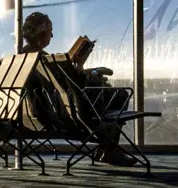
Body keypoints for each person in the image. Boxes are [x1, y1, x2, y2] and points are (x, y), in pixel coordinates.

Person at [17, 12, 137, 167]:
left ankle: (108, 148)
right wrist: (80, 65)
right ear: (40, 33)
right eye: (50, 31)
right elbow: (72, 86)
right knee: (120, 95)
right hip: (68, 116)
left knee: (107, 95)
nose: (52, 35)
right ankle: (108, 148)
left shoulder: (24, 56)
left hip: (48, 113)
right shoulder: (41, 59)